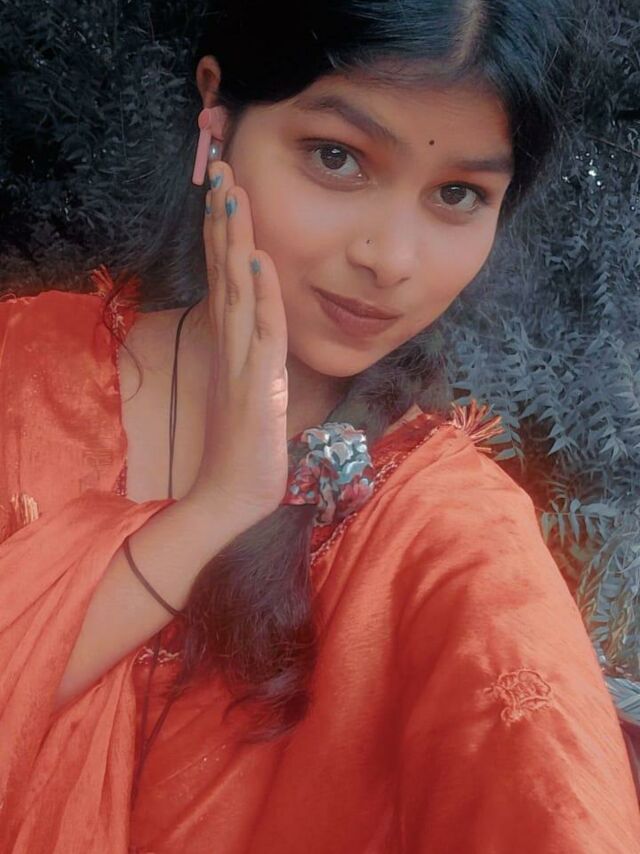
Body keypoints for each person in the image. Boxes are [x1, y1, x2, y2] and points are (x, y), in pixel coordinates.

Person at [1, 1, 639, 851]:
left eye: (458, 194)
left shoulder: (451, 540)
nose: (391, 258)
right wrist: (218, 509)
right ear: (217, 116)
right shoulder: (21, 375)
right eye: (337, 157)